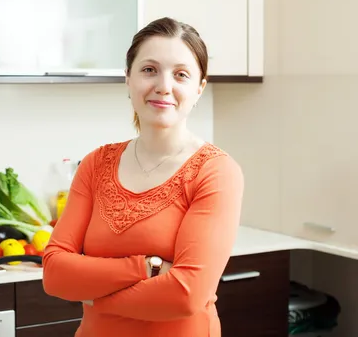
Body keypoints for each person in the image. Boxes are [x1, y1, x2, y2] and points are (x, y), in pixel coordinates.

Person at [42, 17, 245, 337]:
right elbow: (54, 273)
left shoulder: (215, 172)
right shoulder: (95, 164)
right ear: (128, 78)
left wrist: (93, 297)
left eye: (181, 74)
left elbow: (185, 295)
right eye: (149, 69)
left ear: (199, 88)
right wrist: (146, 267)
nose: (164, 85)